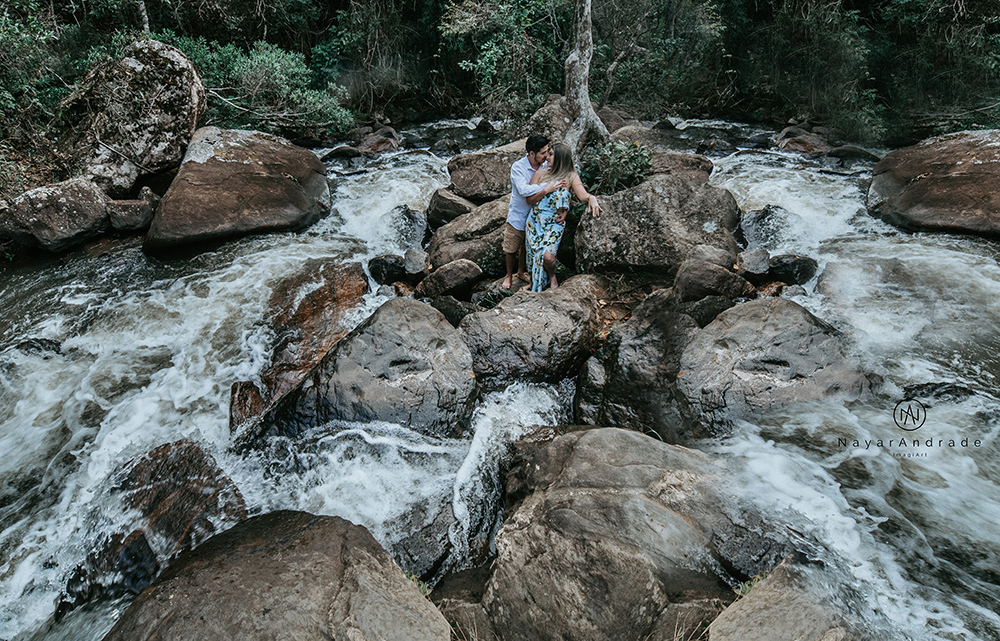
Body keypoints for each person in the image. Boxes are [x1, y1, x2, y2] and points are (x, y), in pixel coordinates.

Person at [525, 142, 601, 292]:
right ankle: (535, 280)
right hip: (535, 220)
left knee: (548, 257)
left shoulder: (571, 176)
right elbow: (529, 200)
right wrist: (546, 190)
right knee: (535, 255)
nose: (547, 157)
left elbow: (582, 195)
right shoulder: (540, 174)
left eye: (551, 154)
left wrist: (591, 198)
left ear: (560, 157)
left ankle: (552, 276)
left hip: (554, 222)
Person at [502, 135, 566, 289]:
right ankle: (508, 275)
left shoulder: (545, 166)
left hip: (537, 217)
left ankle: (521, 272)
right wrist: (546, 189)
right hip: (518, 214)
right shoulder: (518, 167)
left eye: (547, 152)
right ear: (532, 153)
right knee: (511, 247)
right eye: (543, 153)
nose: (546, 156)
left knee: (527, 247)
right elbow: (523, 190)